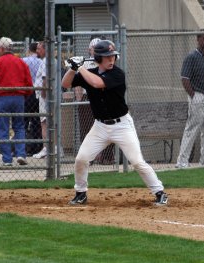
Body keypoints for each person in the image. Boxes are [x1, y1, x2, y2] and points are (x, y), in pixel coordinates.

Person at [61, 40, 168, 206]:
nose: (111, 60)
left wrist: (81, 67)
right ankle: (80, 193)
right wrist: (72, 68)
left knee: (137, 161)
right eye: (106, 57)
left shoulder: (117, 74)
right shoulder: (88, 72)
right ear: (98, 58)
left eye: (112, 56)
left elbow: (97, 83)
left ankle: (160, 192)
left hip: (122, 126)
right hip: (100, 127)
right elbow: (65, 84)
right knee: (81, 159)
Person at [0, 37, 33, 166]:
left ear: (1, 48)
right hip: (19, 97)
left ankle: (7, 159)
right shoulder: (21, 62)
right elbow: (29, 83)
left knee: (3, 128)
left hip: (2, 97)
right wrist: (24, 95)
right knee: (19, 126)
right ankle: (21, 154)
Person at [175, 32, 204, 168]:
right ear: (198, 39)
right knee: (192, 129)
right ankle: (182, 161)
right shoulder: (191, 57)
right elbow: (185, 79)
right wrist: (193, 96)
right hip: (199, 96)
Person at [77, 37, 115, 165]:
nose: (94, 52)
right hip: (87, 97)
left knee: (107, 127)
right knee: (86, 128)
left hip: (104, 98)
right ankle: (89, 158)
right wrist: (79, 99)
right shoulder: (85, 63)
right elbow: (77, 84)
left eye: (97, 49)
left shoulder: (106, 64)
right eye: (93, 49)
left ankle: (108, 157)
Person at [32, 41, 63, 159]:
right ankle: (55, 148)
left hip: (47, 97)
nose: (37, 51)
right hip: (53, 95)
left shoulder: (46, 61)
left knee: (44, 122)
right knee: (52, 122)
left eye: (39, 48)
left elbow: (45, 79)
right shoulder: (53, 60)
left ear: (46, 49)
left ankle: (47, 148)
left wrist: (44, 93)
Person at [22, 42, 43, 156]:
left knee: (24, 120)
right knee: (36, 120)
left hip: (26, 92)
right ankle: (36, 147)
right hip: (38, 92)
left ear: (29, 50)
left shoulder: (23, 60)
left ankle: (23, 148)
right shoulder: (42, 62)